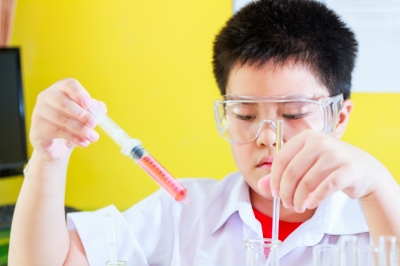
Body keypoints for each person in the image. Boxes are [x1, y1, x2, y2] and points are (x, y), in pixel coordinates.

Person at [8, 0, 400, 265]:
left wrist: (378, 185)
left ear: (339, 117)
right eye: (245, 114)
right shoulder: (182, 213)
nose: (268, 136)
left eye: (293, 112)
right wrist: (48, 158)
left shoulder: (372, 219)